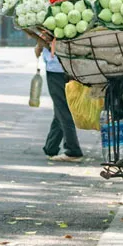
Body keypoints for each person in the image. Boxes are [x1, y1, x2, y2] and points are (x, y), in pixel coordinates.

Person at [33, 35, 83, 163]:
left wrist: (39, 45)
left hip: (56, 68)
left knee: (62, 108)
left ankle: (73, 150)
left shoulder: (48, 25)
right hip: (73, 66)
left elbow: (43, 40)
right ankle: (51, 147)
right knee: (60, 108)